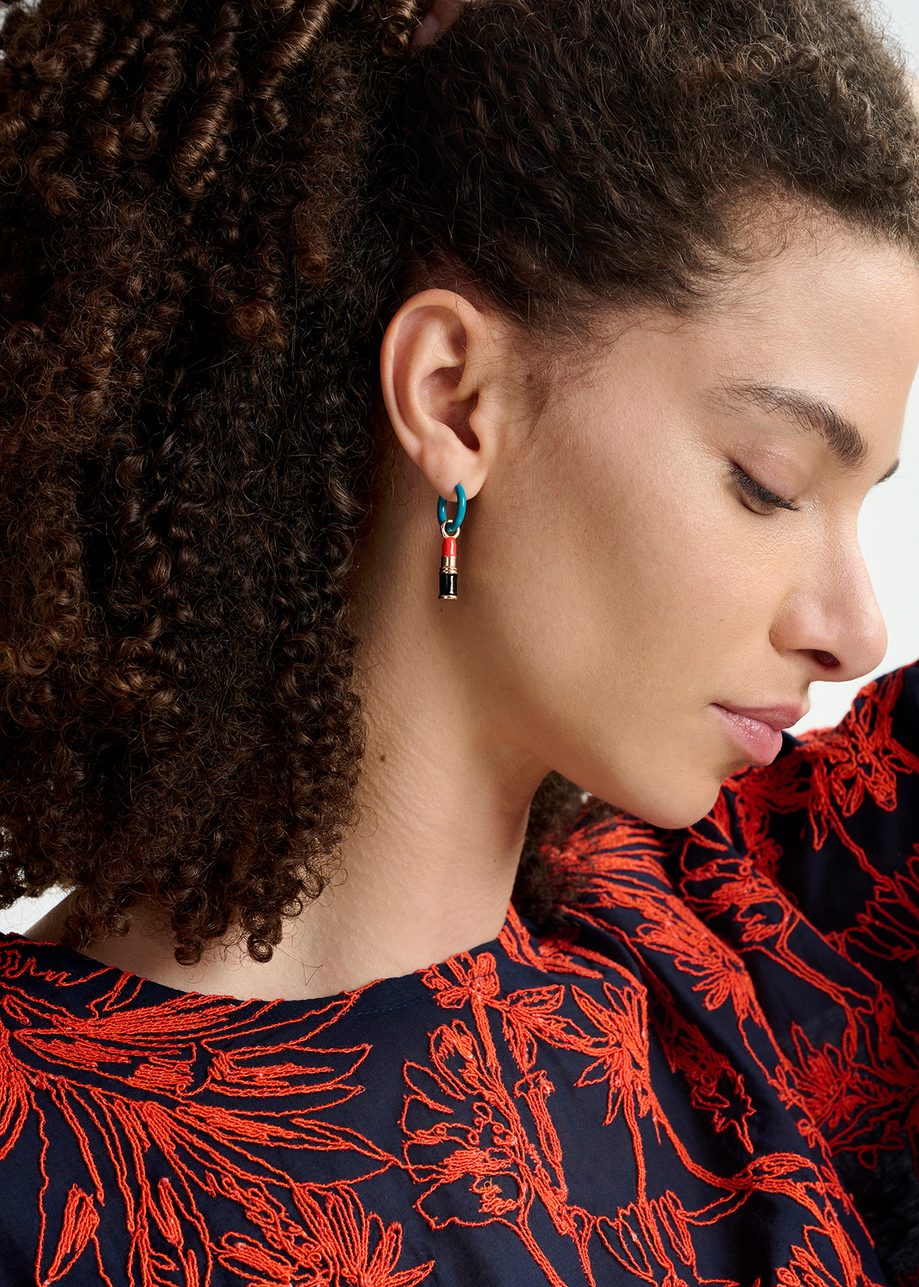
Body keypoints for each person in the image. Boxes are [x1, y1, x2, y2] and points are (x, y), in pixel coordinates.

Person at [0, 0, 918, 1280]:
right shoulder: (31, 1173)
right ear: (456, 400)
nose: (855, 629)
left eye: (863, 499)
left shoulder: (760, 950)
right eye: (768, 483)